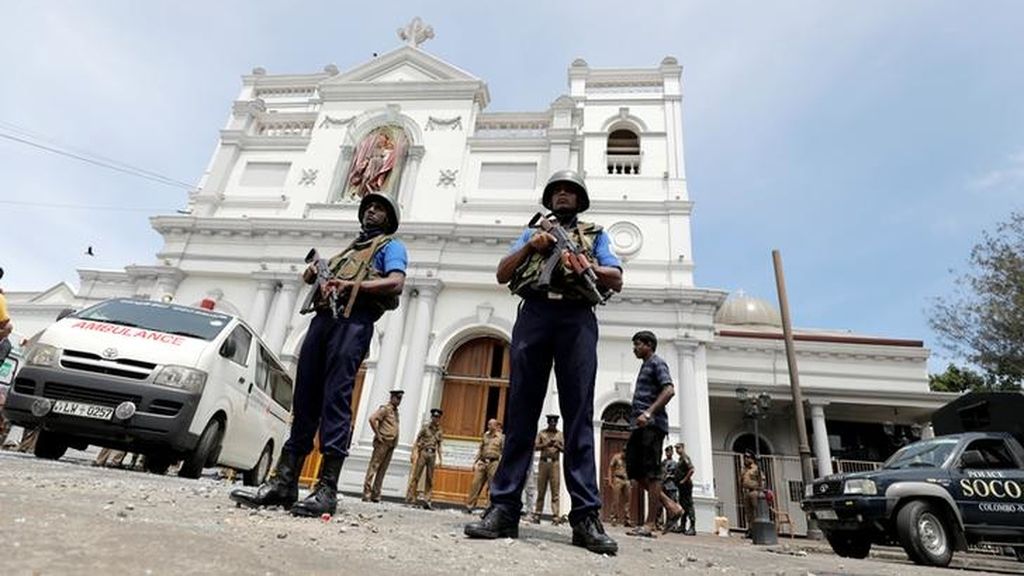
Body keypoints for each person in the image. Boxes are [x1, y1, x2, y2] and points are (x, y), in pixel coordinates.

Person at [465, 169, 622, 555]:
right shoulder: (532, 231)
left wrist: (586, 267)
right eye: (558, 191)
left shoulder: (595, 234)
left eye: (571, 191)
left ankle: (585, 516)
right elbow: (503, 273)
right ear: (549, 198)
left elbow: (615, 277)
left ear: (580, 199)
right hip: (534, 315)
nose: (564, 195)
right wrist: (531, 247)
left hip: (576, 318)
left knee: (580, 416)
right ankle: (504, 508)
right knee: (520, 413)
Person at [230, 192, 407, 517]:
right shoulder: (347, 251)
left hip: (353, 322)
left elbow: (396, 283)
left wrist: (349, 286)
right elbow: (317, 278)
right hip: (322, 322)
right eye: (368, 206)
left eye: (379, 208)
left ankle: (327, 488)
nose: (371, 211)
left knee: (336, 399)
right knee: (305, 400)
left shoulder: (390, 247)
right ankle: (284, 482)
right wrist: (315, 274)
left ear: (389, 218)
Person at [625, 331, 683, 537]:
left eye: (638, 344)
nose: (634, 348)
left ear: (649, 345)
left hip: (652, 425)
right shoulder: (645, 364)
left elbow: (669, 390)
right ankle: (671, 506)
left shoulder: (658, 363)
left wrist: (648, 412)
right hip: (639, 427)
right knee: (633, 470)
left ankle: (649, 524)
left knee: (652, 473)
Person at [362, 389, 403, 502]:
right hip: (383, 442)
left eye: (400, 399)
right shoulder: (385, 409)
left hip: (391, 444)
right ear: (392, 398)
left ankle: (376, 494)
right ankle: (367, 493)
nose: (399, 401)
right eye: (397, 398)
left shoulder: (395, 412)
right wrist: (378, 435)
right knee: (374, 467)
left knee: (382, 469)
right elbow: (372, 419)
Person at [407, 408, 444, 509]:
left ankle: (427, 500)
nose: (435, 419)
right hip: (423, 452)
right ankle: (411, 498)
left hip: (432, 454)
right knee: (416, 475)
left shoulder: (440, 430)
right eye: (434, 416)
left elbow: (439, 445)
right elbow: (417, 440)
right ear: (431, 417)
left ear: (439, 418)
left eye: (437, 417)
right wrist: (413, 453)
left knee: (430, 478)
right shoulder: (425, 428)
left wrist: (440, 459)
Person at [530, 414, 564, 524]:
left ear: (556, 423)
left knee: (555, 490)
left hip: (555, 463)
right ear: (548, 423)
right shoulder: (542, 433)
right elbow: (535, 447)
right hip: (543, 462)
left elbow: (565, 449)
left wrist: (558, 445)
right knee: (541, 489)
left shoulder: (560, 434)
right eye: (551, 422)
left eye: (554, 423)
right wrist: (546, 444)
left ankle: (555, 516)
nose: (553, 424)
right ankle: (537, 514)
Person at [465, 419, 504, 513]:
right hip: (483, 462)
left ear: (495, 426)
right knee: (475, 483)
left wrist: (501, 465)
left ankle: (489, 508)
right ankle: (470, 506)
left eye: (491, 424)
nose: (489, 426)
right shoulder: (485, 436)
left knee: (492, 486)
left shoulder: (501, 437)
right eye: (488, 424)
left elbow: (503, 452)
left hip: (493, 462)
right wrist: (475, 462)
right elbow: (480, 449)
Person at [674, 442, 696, 535]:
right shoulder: (680, 459)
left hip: (686, 485)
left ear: (683, 448)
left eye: (678, 448)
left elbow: (691, 470)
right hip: (681, 486)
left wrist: (684, 480)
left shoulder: (685, 458)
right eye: (676, 448)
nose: (677, 450)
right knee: (683, 505)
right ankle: (682, 525)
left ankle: (692, 527)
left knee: (689, 505)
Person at [607, 448, 631, 527]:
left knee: (628, 501)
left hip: (627, 480)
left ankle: (627, 520)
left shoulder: (629, 459)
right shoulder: (616, 457)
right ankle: (614, 518)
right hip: (618, 479)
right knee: (616, 500)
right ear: (622, 451)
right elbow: (610, 468)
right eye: (625, 452)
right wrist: (610, 480)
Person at [740, 450, 762, 537]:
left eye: (748, 457)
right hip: (746, 492)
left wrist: (760, 490)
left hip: (754, 492)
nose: (746, 459)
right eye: (745, 457)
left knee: (756, 511)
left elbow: (761, 480)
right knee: (749, 513)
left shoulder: (756, 469)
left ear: (752, 459)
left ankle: (758, 530)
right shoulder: (744, 470)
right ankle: (751, 530)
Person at [660, 446, 679, 530]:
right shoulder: (663, 463)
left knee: (672, 505)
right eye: (667, 452)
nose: (668, 453)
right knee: (663, 504)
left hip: (671, 486)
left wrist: (669, 476)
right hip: (663, 486)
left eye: (670, 452)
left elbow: (677, 475)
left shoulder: (675, 463)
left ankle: (673, 524)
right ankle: (663, 523)